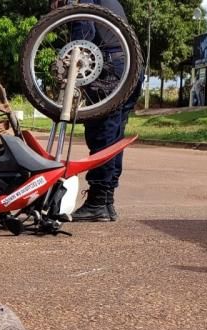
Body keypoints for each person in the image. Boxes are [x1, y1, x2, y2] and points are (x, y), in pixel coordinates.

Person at [51, 0, 143, 222]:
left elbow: (83, 36)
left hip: (109, 71)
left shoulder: (81, 1)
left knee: (102, 135)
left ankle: (98, 202)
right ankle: (106, 201)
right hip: (131, 69)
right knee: (114, 136)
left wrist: (68, 65)